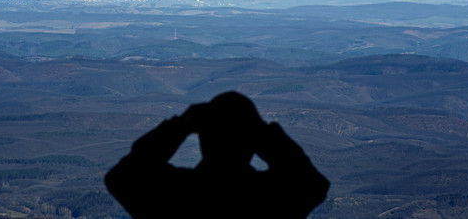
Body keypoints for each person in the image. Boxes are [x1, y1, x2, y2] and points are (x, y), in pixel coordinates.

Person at [105, 91, 329, 218]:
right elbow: (313, 184)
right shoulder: (271, 199)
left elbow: (122, 177)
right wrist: (262, 132)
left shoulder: (175, 195)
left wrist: (181, 124)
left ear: (202, 138)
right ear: (252, 142)